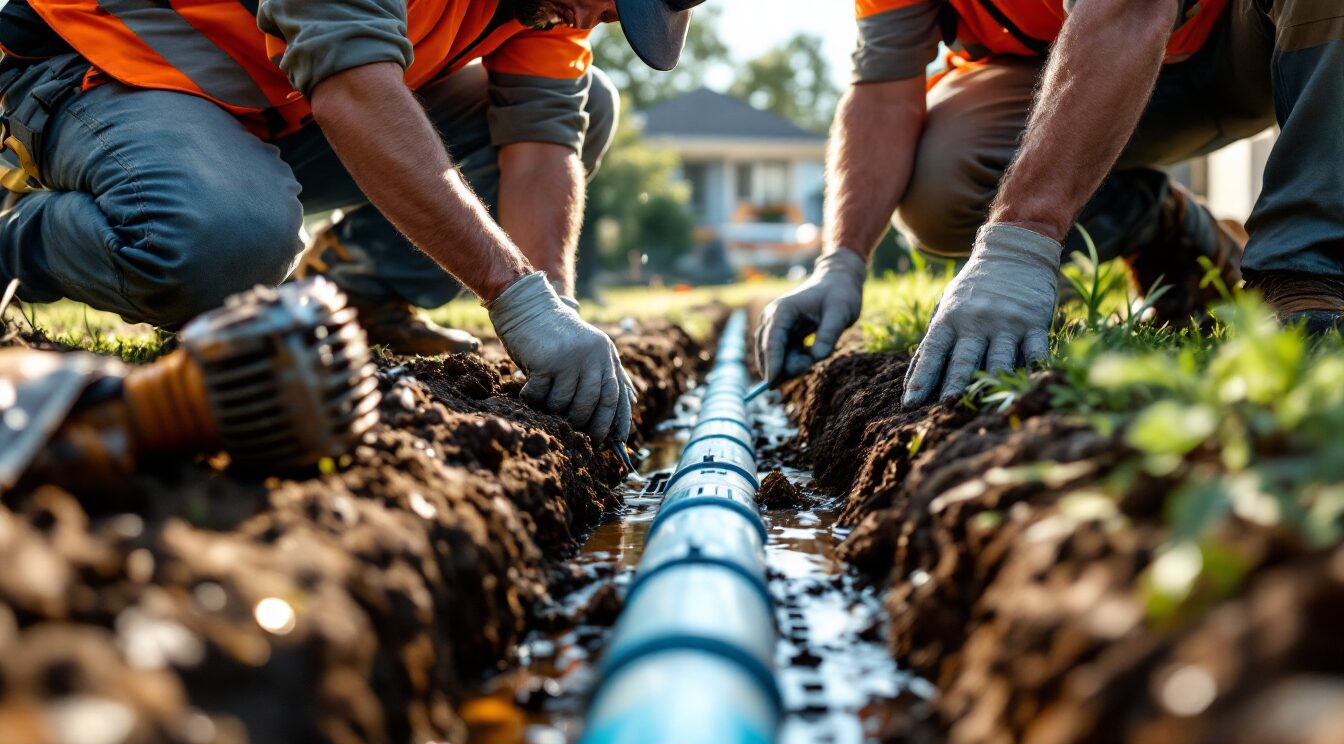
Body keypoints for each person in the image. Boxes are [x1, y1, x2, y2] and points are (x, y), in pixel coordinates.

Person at [0, 0, 708, 444]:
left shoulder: (550, 5)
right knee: (224, 244)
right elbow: (352, 89)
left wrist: (556, 313)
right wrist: (516, 298)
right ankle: (15, 244)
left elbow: (540, 142)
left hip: (275, 103)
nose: (596, 18)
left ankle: (359, 292)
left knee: (590, 103)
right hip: (102, 66)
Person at [757, 0, 1340, 408]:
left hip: (1254, 44)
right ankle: (1158, 222)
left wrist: (1019, 243)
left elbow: (1129, 9)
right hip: (1068, 75)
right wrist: (841, 260)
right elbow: (883, 94)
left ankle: (1306, 272)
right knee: (941, 187)